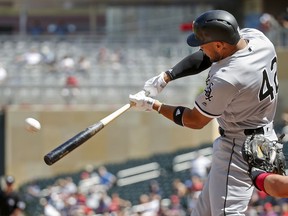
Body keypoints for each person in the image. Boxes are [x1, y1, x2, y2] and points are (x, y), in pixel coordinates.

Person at [129, 9, 280, 215]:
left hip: (237, 146)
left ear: (219, 44)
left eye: (203, 43)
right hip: (265, 135)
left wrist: (154, 105)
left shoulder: (227, 77)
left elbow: (195, 120)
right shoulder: (258, 39)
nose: (200, 47)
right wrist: (168, 76)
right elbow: (210, 55)